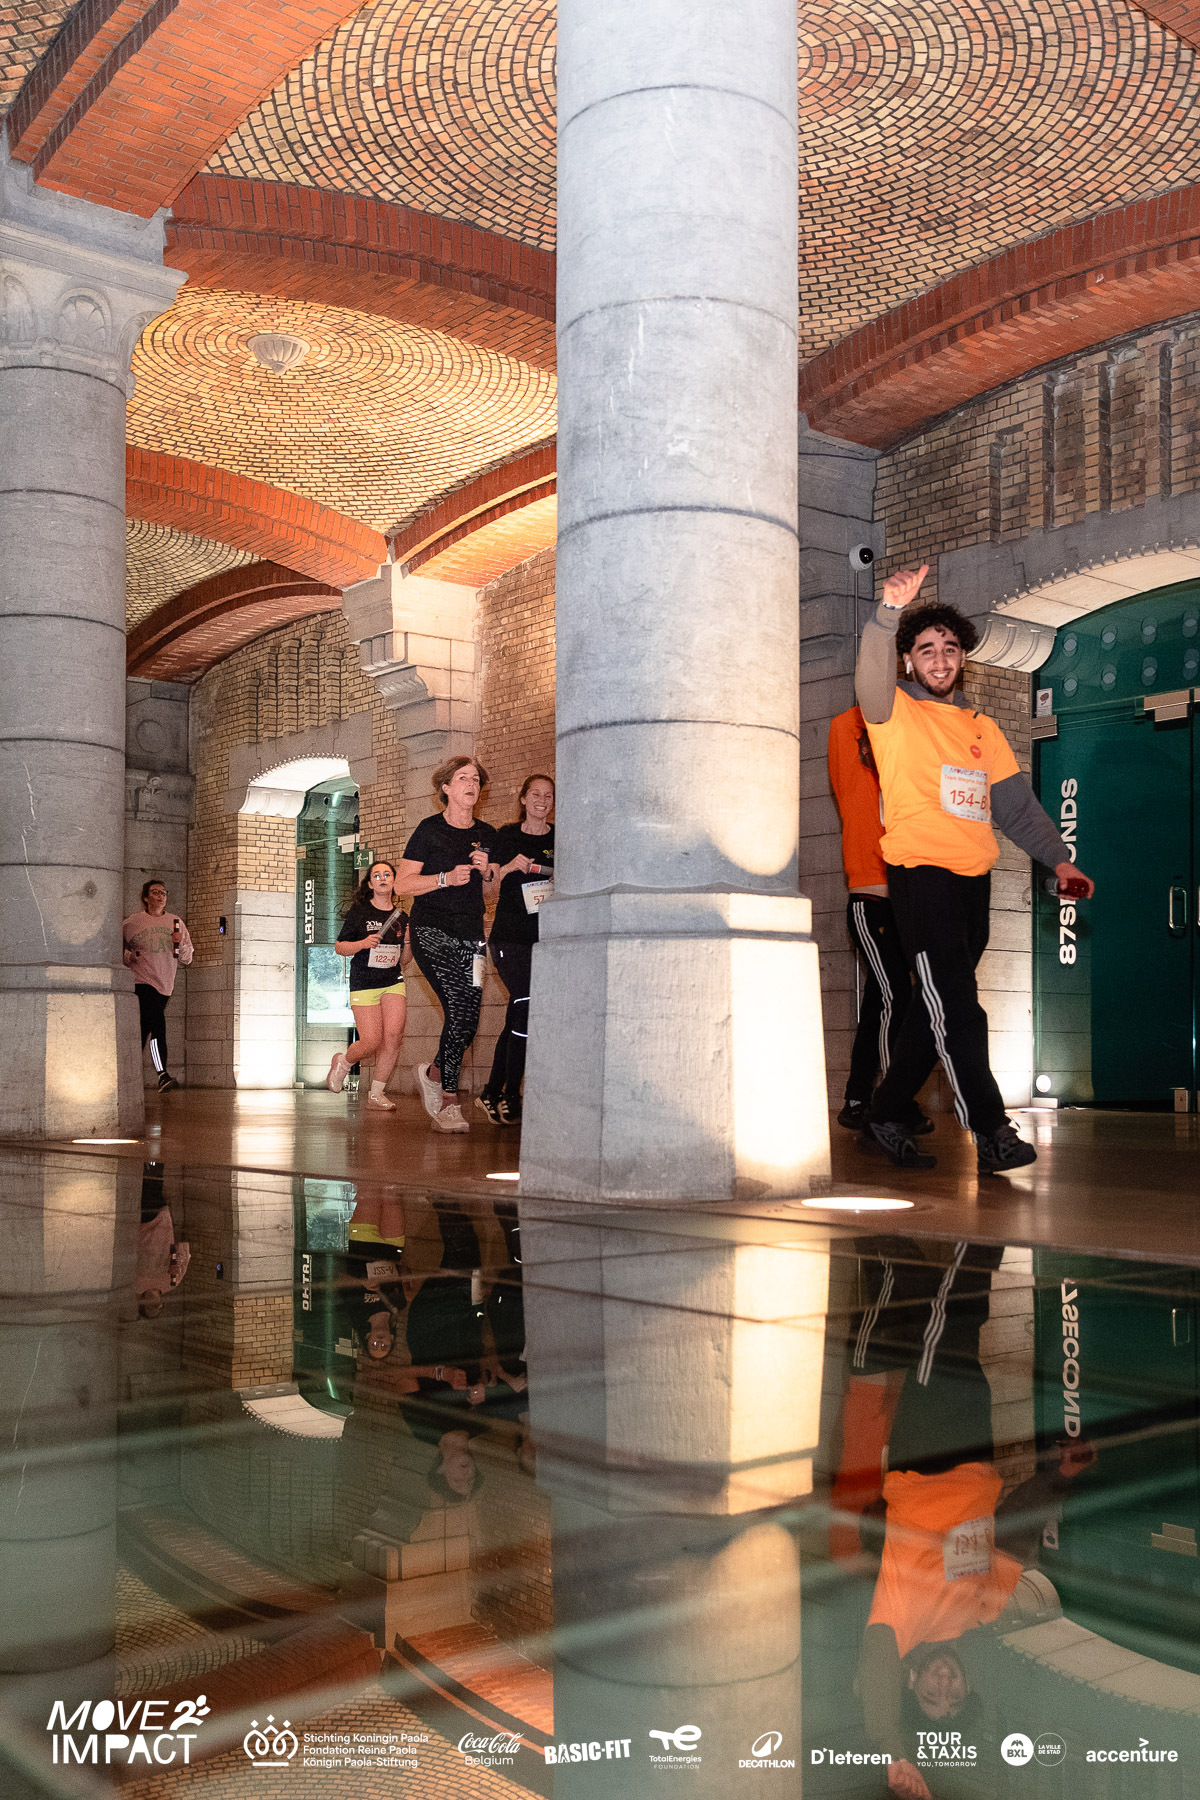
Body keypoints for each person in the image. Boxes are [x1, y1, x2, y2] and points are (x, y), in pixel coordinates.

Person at [856, 567, 1095, 1175]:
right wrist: (888, 613)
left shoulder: (982, 728)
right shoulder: (892, 712)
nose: (939, 659)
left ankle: (886, 1111)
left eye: (949, 649)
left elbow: (1016, 807)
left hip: (973, 880)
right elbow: (869, 677)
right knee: (959, 1006)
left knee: (933, 1007)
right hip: (921, 875)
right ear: (908, 660)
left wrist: (1059, 860)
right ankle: (990, 1130)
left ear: (962, 658)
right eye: (926, 649)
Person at [827, 708, 930, 1137]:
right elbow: (858, 714)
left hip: (902, 905)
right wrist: (885, 696)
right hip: (868, 903)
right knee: (897, 995)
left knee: (880, 1002)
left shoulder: (898, 779)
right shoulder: (852, 759)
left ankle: (857, 1100)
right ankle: (893, 1100)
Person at [397, 757, 498, 1133]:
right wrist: (443, 878)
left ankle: (433, 1073)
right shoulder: (429, 830)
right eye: (463, 778)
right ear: (446, 787)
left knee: (469, 1020)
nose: (472, 784)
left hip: (472, 935)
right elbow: (403, 883)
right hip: (432, 931)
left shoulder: (487, 834)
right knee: (457, 1009)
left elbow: (490, 892)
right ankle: (449, 1102)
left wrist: (488, 872)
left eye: (476, 780)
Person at [476, 772, 555, 1126]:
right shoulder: (505, 836)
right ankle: (510, 1093)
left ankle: (491, 1092)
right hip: (509, 938)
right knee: (525, 1002)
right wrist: (508, 868)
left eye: (548, 795)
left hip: (547, 939)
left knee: (519, 1015)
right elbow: (487, 891)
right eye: (535, 794)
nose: (542, 800)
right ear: (523, 798)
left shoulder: (559, 838)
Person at [327, 861, 412, 1111]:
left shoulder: (402, 918)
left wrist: (408, 942)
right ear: (370, 883)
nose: (382, 878)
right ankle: (344, 1061)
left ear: (394, 881)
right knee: (372, 1041)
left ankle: (376, 1093)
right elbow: (340, 947)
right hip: (364, 982)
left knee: (394, 1037)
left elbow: (404, 961)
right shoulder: (360, 912)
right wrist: (363, 943)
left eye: (387, 874)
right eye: (377, 875)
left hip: (392, 981)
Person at [123, 879, 193, 1092]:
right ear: (146, 897)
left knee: (144, 1029)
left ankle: (125, 1074)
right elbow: (114, 949)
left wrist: (179, 942)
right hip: (142, 982)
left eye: (163, 892)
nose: (160, 896)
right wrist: (129, 956)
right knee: (158, 1025)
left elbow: (187, 958)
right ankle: (162, 1074)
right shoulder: (133, 923)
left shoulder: (176, 922)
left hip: (165, 984)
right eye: (155, 892)